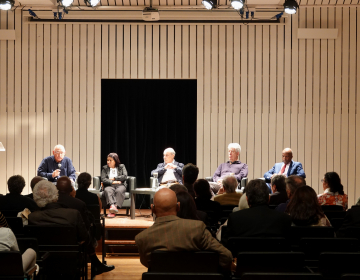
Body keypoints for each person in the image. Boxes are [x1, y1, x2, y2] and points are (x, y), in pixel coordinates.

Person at [29, 180, 114, 278]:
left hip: (44, 260)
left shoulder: (32, 217)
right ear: (55, 195)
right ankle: (95, 263)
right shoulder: (72, 214)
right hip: (70, 259)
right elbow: (84, 237)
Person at [135, 188, 233, 270]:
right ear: (178, 206)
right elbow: (226, 256)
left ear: (152, 209)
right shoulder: (196, 228)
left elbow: (149, 265)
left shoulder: (142, 238)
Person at [222, 179, 291, 244]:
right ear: (269, 198)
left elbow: (226, 243)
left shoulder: (235, 218)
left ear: (247, 199)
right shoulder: (284, 219)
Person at [101, 153, 128, 218]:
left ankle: (113, 208)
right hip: (109, 185)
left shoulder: (121, 166)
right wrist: (113, 182)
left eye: (110, 160)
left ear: (115, 161)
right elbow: (103, 179)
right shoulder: (105, 168)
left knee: (119, 191)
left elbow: (124, 176)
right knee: (107, 190)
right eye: (107, 160)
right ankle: (113, 207)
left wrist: (114, 178)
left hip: (121, 185)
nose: (108, 162)